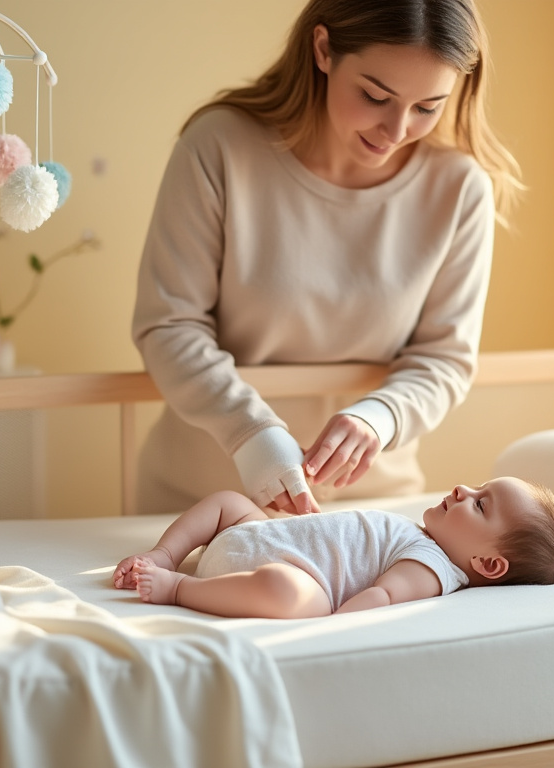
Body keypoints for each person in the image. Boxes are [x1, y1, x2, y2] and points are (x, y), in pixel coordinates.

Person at [131, 0, 522, 516]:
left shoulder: (458, 189)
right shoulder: (219, 147)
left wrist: (379, 419)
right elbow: (169, 324)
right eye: (375, 96)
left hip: (373, 510)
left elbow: (444, 359)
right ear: (323, 50)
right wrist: (250, 434)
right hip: (200, 501)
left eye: (428, 107)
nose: (396, 129)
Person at [111, 477, 554, 618]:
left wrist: (336, 621)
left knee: (289, 594)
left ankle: (178, 587)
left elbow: (382, 597)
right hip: (259, 539)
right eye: (476, 487)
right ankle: (166, 552)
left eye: (480, 505)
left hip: (289, 574)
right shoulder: (424, 538)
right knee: (228, 501)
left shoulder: (435, 567)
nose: (461, 488)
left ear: (488, 564)